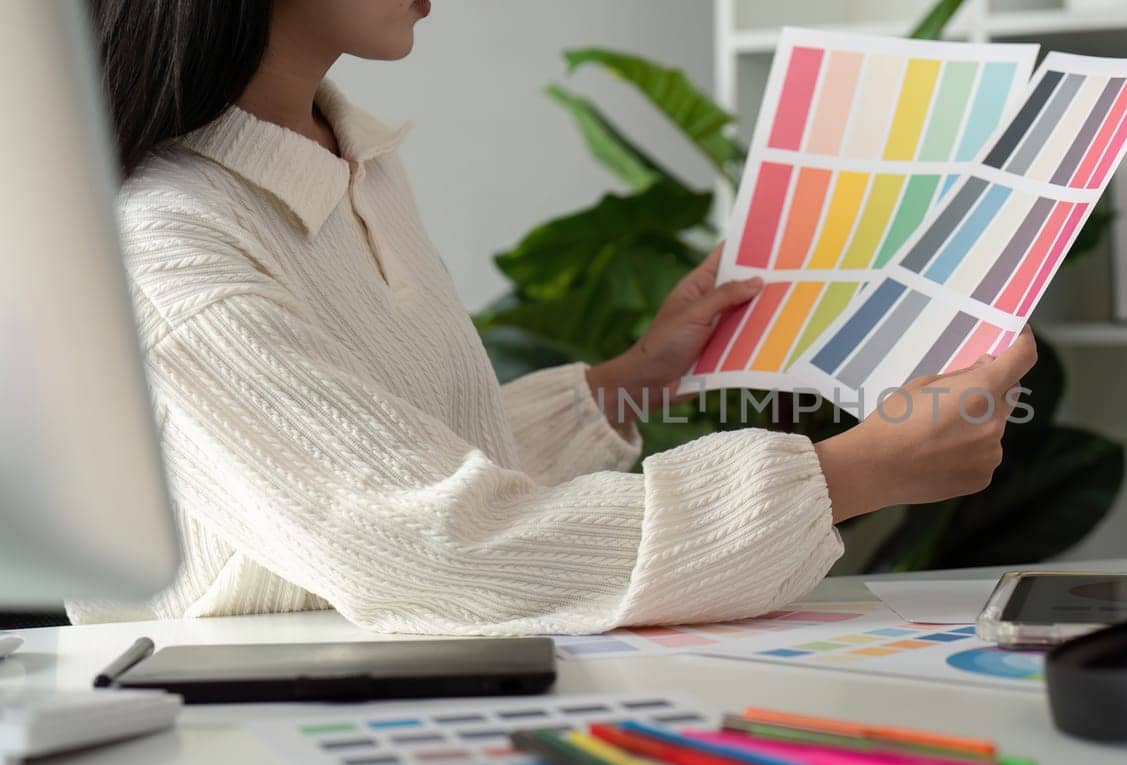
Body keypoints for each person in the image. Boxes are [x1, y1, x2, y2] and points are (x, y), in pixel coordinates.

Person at [73, 0, 1036, 634]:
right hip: (247, 750)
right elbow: (427, 547)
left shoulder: (349, 161)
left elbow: (413, 459)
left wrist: (629, 382)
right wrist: (844, 477)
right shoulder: (165, 251)